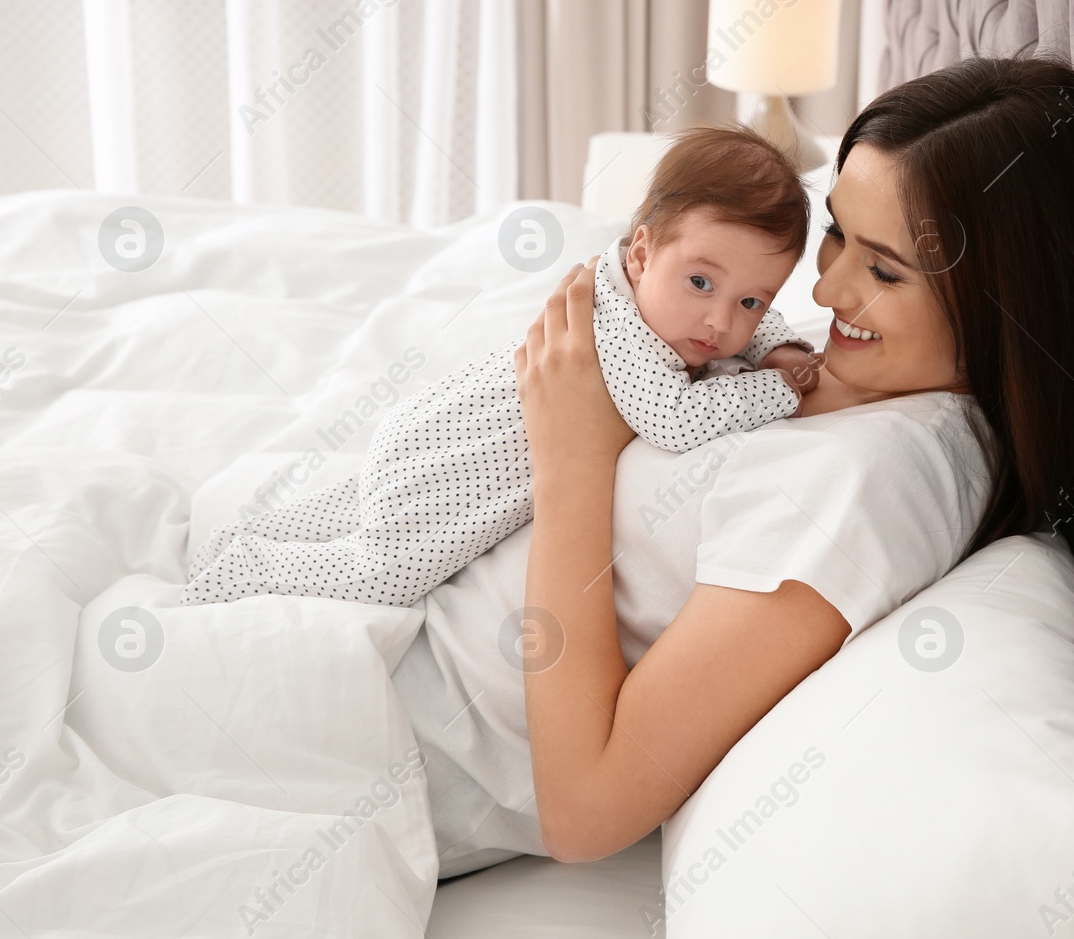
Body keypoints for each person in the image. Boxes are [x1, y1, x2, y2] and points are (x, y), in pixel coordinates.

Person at [395, 51, 1074, 875]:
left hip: (397, 726)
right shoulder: (873, 372)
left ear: (1003, 302)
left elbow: (588, 808)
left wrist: (574, 457)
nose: (832, 288)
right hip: (403, 615)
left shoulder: (873, 482)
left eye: (883, 269)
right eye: (838, 230)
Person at [178, 125, 821, 609]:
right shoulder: (627, 333)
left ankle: (244, 537)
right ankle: (243, 572)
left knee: (350, 510)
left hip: (426, 429)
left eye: (751, 300)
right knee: (384, 570)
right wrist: (779, 387)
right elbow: (676, 421)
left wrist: (777, 341)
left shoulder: (649, 292)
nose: (720, 323)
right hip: (461, 463)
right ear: (643, 253)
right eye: (701, 282)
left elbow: (747, 315)